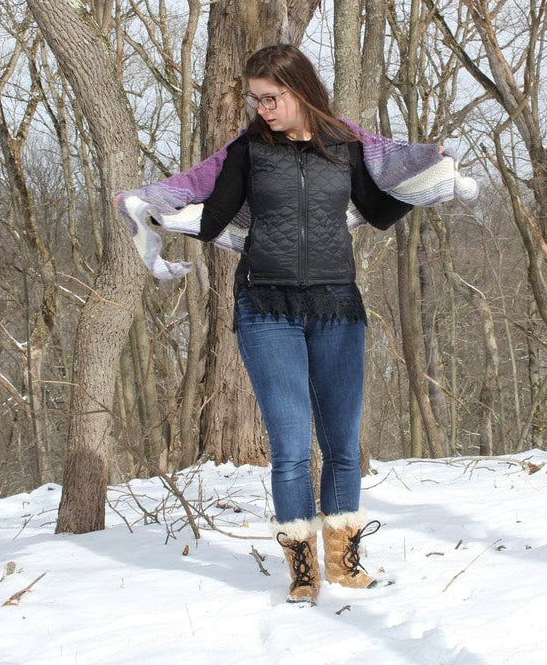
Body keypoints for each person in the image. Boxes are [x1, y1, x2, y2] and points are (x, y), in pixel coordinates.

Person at [115, 43, 477, 606]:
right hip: (266, 308)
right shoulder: (249, 151)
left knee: (342, 445)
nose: (262, 109)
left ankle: (344, 560)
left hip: (337, 306)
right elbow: (212, 221)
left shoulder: (344, 146)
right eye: (255, 99)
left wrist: (426, 184)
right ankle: (302, 567)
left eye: (271, 97)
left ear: (300, 90)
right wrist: (161, 212)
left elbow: (379, 213)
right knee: (288, 447)